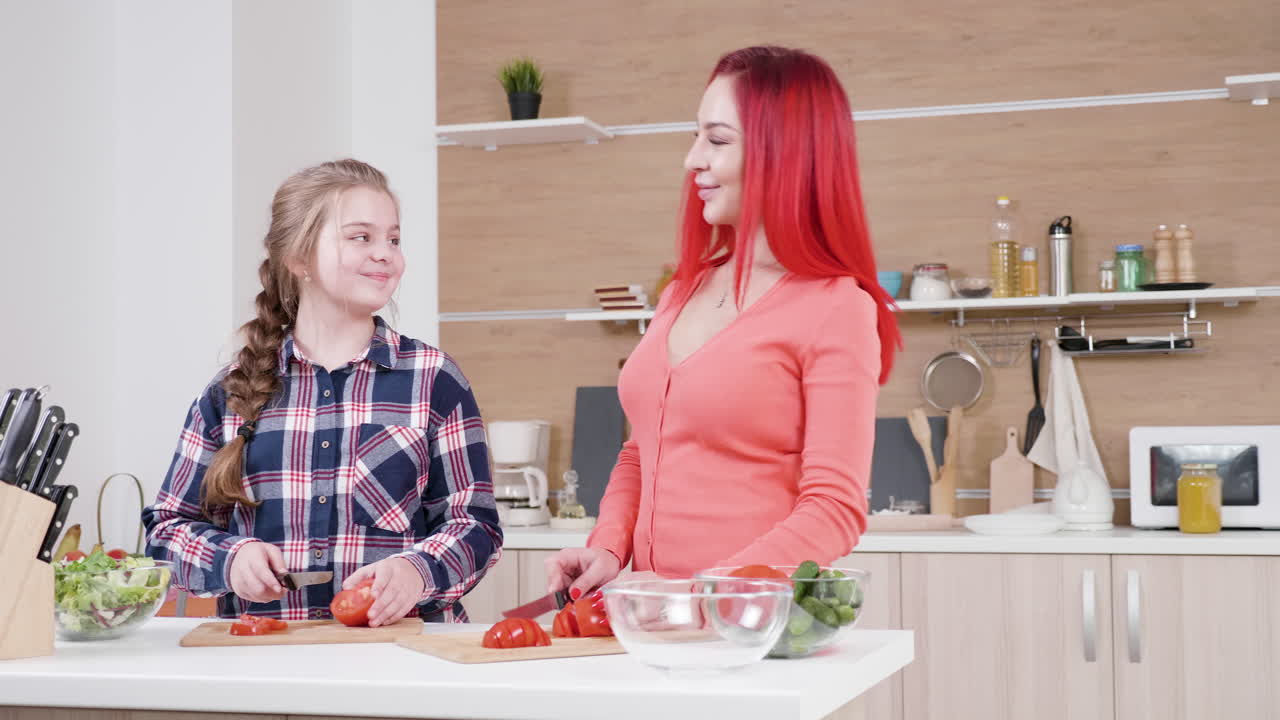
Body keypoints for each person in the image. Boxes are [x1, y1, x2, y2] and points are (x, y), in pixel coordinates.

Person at [546, 46, 901, 598]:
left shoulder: (836, 306)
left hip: (754, 628)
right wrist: (609, 548)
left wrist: (718, 591)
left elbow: (835, 508)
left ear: (783, 153)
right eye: (695, 137)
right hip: (653, 617)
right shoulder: (682, 291)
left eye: (716, 140)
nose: (692, 160)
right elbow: (643, 449)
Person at [143, 159, 501, 625]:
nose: (385, 253)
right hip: (266, 664)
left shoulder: (434, 378)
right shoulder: (231, 391)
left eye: (393, 239)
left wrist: (417, 570)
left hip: (405, 663)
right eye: (361, 237)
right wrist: (229, 558)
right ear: (298, 258)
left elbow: (476, 525)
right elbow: (167, 532)